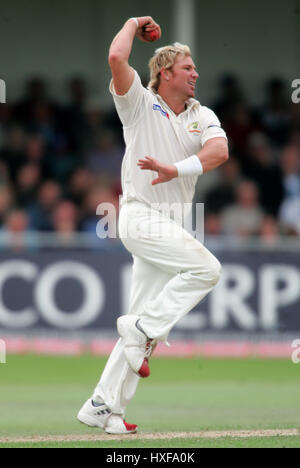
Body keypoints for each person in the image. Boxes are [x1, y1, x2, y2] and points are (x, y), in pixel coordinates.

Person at [77, 16, 228, 434]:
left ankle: (103, 406)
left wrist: (174, 169)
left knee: (140, 328)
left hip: (175, 224)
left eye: (195, 68)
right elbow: (115, 55)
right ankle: (143, 329)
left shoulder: (202, 114)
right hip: (141, 217)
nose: (196, 74)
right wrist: (131, 22)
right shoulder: (139, 103)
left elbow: (218, 152)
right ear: (165, 74)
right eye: (187, 68)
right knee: (207, 271)